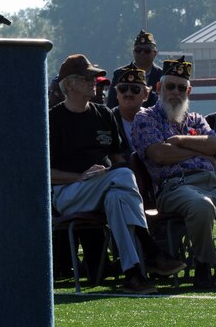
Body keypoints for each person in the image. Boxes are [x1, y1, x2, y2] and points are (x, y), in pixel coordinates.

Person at [49, 54, 184, 295]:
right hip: (69, 193)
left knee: (117, 197)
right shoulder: (52, 120)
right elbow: (44, 173)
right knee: (121, 175)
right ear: (68, 84)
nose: (94, 80)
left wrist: (105, 177)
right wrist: (79, 177)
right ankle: (150, 248)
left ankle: (133, 274)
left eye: (94, 76)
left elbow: (119, 157)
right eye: (87, 77)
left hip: (106, 188)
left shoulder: (104, 115)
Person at [132, 57, 216, 288]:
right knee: (202, 206)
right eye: (170, 86)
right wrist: (198, 151)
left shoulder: (195, 118)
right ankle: (204, 267)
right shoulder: (145, 117)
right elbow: (159, 155)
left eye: (181, 87)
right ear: (158, 88)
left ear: (189, 90)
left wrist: (180, 142)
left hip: (215, 184)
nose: (176, 92)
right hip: (176, 187)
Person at [107, 30, 161, 109]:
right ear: (133, 52)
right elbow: (111, 105)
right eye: (138, 50)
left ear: (155, 53)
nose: (142, 53)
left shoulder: (162, 75)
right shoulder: (120, 73)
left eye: (147, 51)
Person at [111, 65, 152, 161]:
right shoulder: (107, 119)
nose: (128, 94)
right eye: (123, 89)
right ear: (117, 93)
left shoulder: (154, 119)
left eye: (135, 90)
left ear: (146, 95)